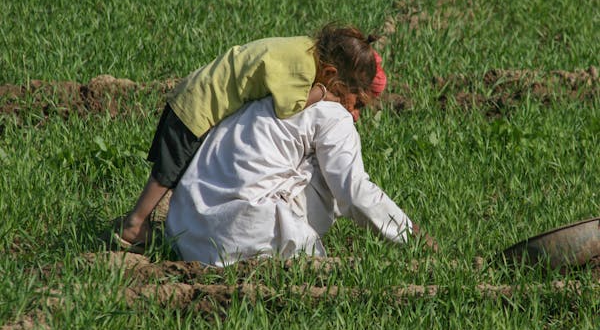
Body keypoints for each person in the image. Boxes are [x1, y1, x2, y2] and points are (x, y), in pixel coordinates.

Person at [114, 23, 388, 251]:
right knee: (167, 173)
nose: (347, 109)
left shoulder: (304, 49)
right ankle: (135, 224)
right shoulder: (303, 68)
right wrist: (324, 95)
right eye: (347, 98)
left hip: (197, 97)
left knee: (178, 171)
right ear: (330, 74)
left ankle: (153, 221)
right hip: (197, 106)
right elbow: (289, 106)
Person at [164, 76, 420, 265]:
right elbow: (353, 192)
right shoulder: (333, 114)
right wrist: (410, 233)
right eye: (358, 104)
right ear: (340, 82)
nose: (355, 116)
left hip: (184, 234)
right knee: (327, 168)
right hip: (241, 238)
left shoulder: (267, 95)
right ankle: (294, 246)